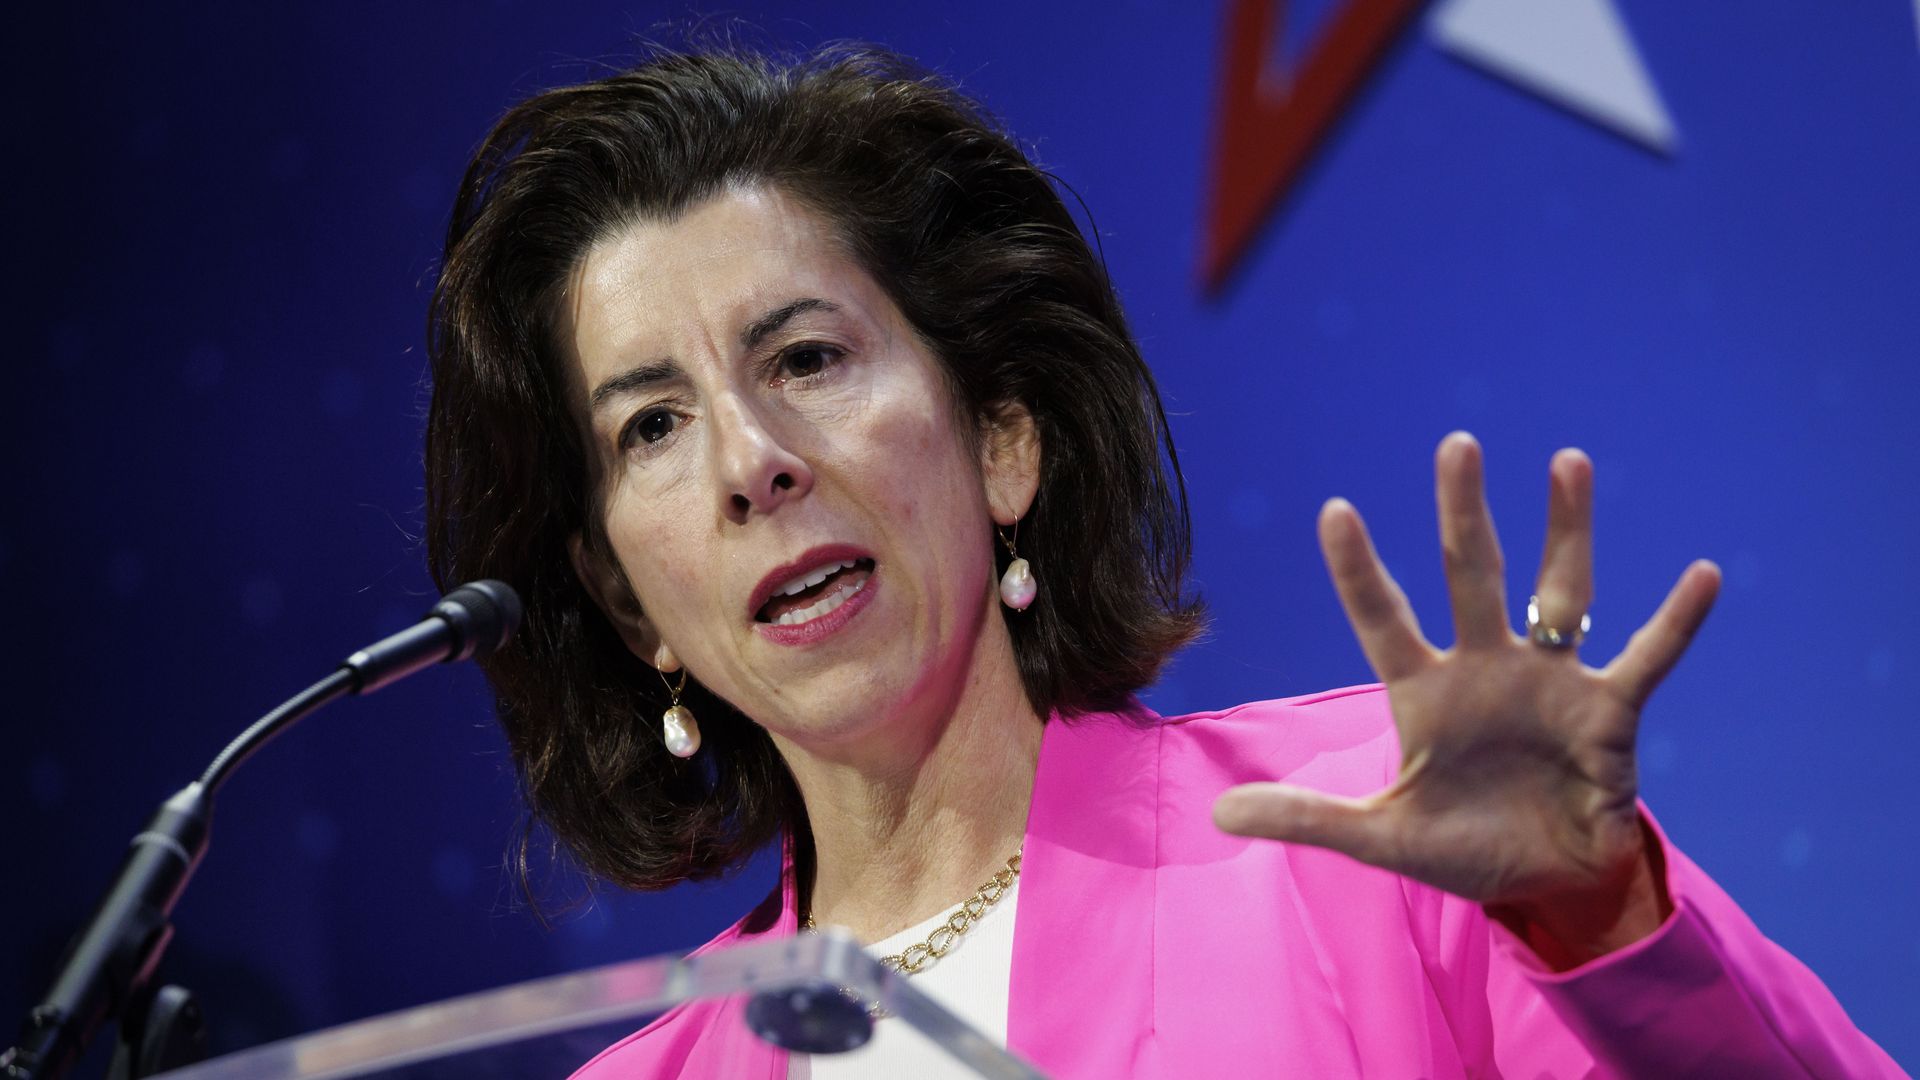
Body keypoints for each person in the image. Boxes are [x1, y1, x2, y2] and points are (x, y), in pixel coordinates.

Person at [423, 45, 1901, 1078]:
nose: (752, 459)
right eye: (654, 426)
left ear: (1002, 440)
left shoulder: (1374, 832)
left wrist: (1605, 925)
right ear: (629, 602)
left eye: (805, 356)